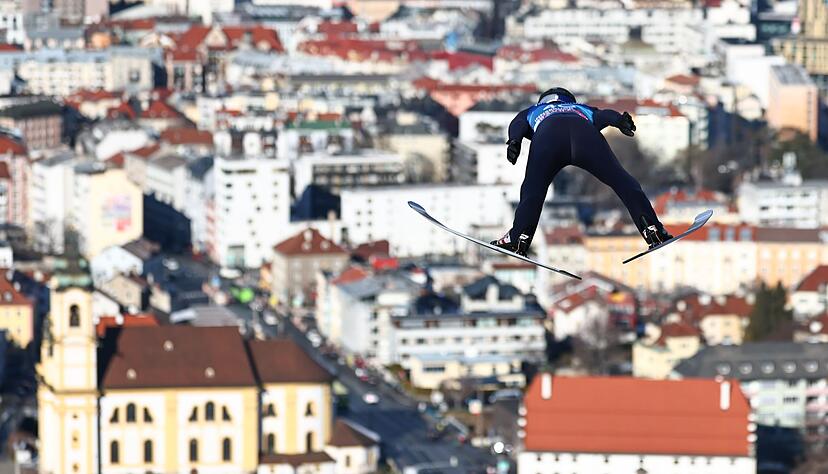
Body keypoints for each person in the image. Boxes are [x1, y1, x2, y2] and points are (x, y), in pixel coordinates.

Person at [490, 87, 672, 256]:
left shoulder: (534, 110)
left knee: (533, 191)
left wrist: (514, 141)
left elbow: (517, 123)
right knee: (624, 182)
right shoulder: (580, 108)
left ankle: (518, 238)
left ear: (542, 100)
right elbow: (604, 115)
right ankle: (652, 230)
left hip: (549, 138)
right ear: (570, 100)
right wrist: (620, 121)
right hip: (585, 137)